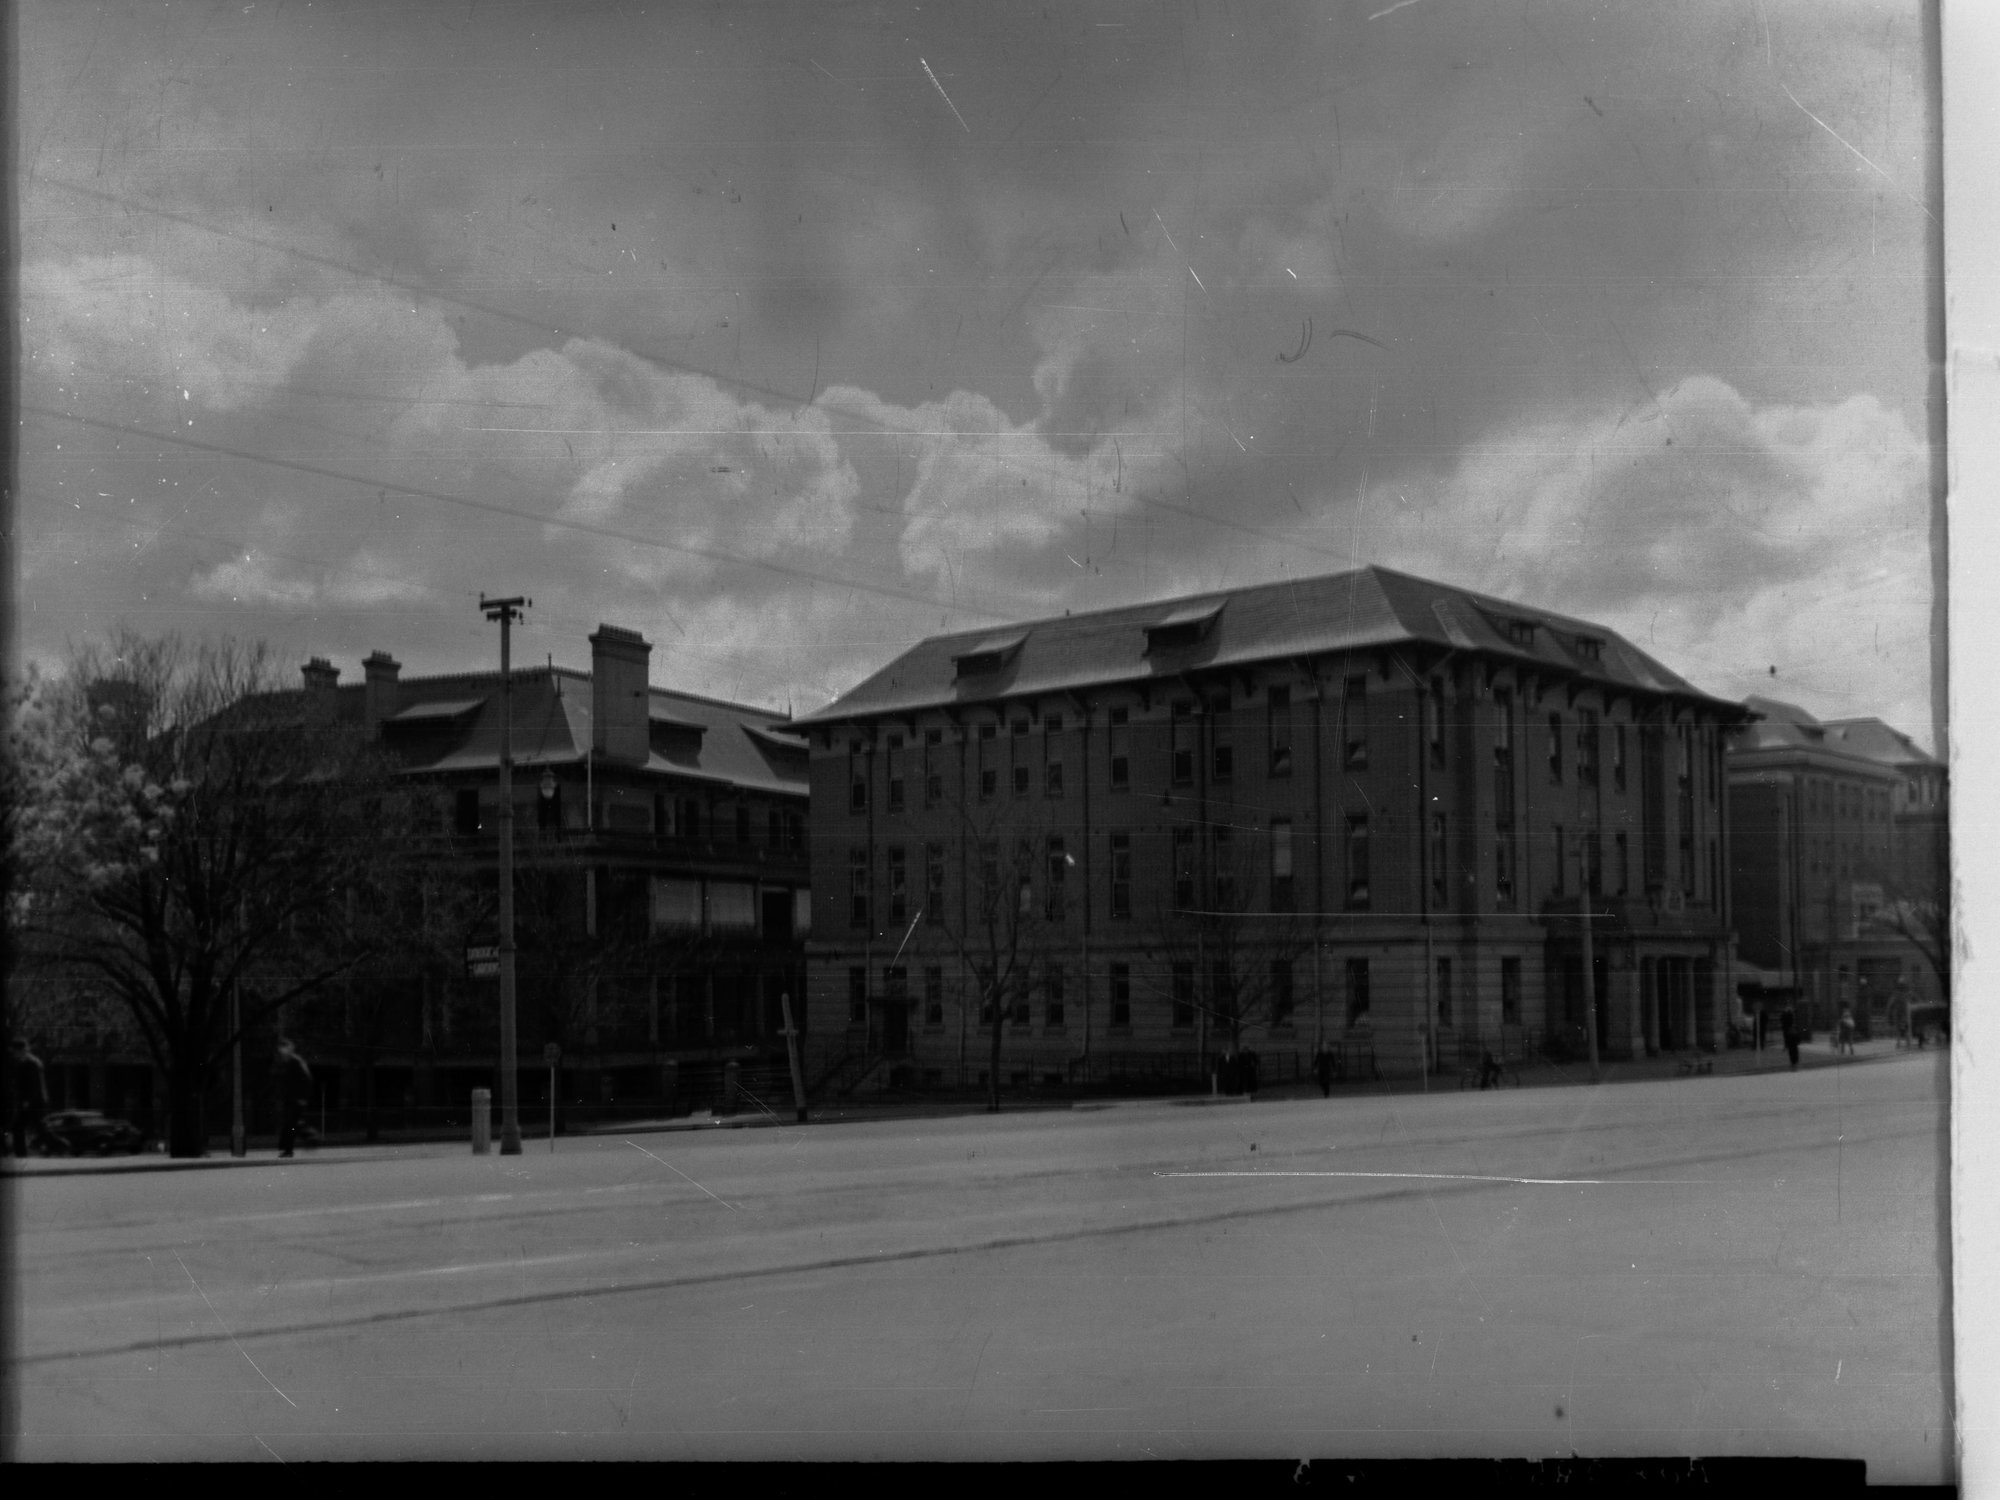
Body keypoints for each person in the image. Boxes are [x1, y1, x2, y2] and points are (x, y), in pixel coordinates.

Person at [10, 1038, 54, 1158]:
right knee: (34, 1127)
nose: (14, 1054)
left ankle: (57, 1144)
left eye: (15, 1051)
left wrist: (28, 1100)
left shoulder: (32, 1063)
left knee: (26, 1127)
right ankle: (21, 1154)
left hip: (34, 1102)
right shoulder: (24, 1062)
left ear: (21, 1050)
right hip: (31, 1101)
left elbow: (35, 1084)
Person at [272, 1038, 313, 1157]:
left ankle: (288, 1148)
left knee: (291, 1124)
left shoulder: (295, 1062)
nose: (282, 1051)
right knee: (292, 1124)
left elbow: (306, 1080)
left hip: (296, 1099)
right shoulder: (287, 1062)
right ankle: (304, 1138)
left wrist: (303, 1097)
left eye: (283, 1048)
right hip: (291, 1099)